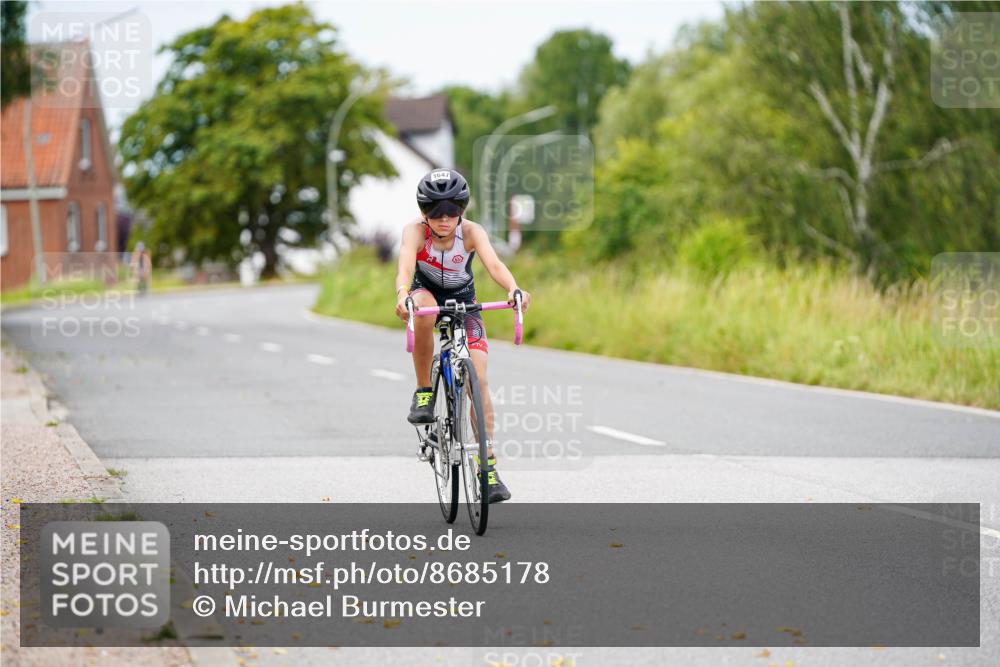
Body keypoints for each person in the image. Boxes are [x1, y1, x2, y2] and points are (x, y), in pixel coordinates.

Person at [394, 169, 532, 504]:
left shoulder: (471, 232)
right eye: (435, 213)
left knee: (479, 381)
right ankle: (424, 391)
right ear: (424, 212)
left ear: (462, 211)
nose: (443, 220)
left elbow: (494, 264)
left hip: (465, 303)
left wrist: (514, 289)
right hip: (426, 295)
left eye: (451, 212)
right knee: (422, 304)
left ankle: (487, 468)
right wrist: (402, 295)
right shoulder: (414, 232)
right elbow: (405, 269)